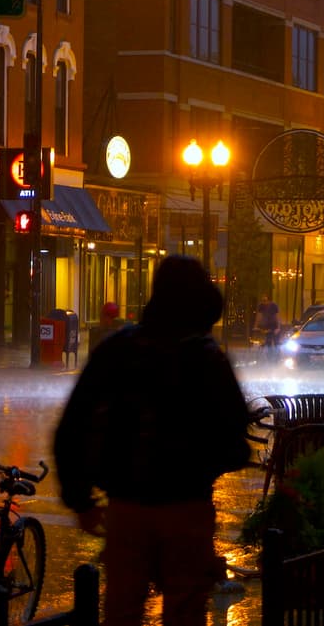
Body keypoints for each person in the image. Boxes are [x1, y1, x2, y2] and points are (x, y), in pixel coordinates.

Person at [54, 255, 251, 626]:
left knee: (123, 609)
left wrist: (80, 498)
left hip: (127, 507)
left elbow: (74, 423)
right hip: (187, 506)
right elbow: (235, 434)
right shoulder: (206, 358)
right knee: (185, 610)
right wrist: (206, 463)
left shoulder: (118, 350)